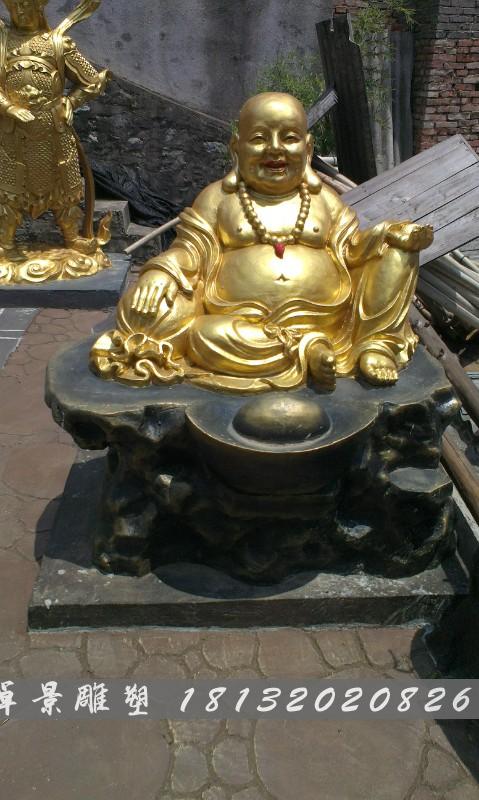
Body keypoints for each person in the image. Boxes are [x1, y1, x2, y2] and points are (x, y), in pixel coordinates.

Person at [91, 92, 433, 391]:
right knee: (186, 328)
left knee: (397, 253)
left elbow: (352, 250)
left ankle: (374, 345)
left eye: (289, 138)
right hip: (238, 323)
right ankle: (307, 350)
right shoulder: (218, 199)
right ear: (236, 148)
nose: (275, 149)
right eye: (259, 138)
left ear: (308, 148)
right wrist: (162, 271)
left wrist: (387, 235)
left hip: (331, 317)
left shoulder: (324, 200)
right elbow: (191, 248)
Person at [0, 0, 109, 261]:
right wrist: (8, 107)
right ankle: (5, 242)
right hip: (13, 134)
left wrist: (70, 102)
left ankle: (72, 237)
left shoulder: (58, 44)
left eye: (26, 6)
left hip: (53, 131)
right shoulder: (2, 44)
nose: (21, 12)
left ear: (39, 7)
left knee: (65, 186)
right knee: (9, 189)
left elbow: (92, 81)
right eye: (15, 7)